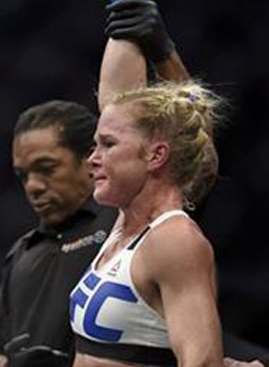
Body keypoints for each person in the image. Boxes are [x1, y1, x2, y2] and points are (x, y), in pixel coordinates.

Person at [0, 0, 189, 367]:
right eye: (22, 175)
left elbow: (153, 127)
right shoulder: (23, 251)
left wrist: (141, 16)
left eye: (46, 168)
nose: (33, 186)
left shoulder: (130, 216)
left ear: (90, 159)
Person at [70, 80, 225, 367]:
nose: (92, 158)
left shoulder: (175, 239)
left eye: (108, 144)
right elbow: (115, 90)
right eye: (96, 145)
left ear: (156, 155)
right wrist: (124, 37)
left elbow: (202, 362)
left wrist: (165, 52)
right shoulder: (125, 225)